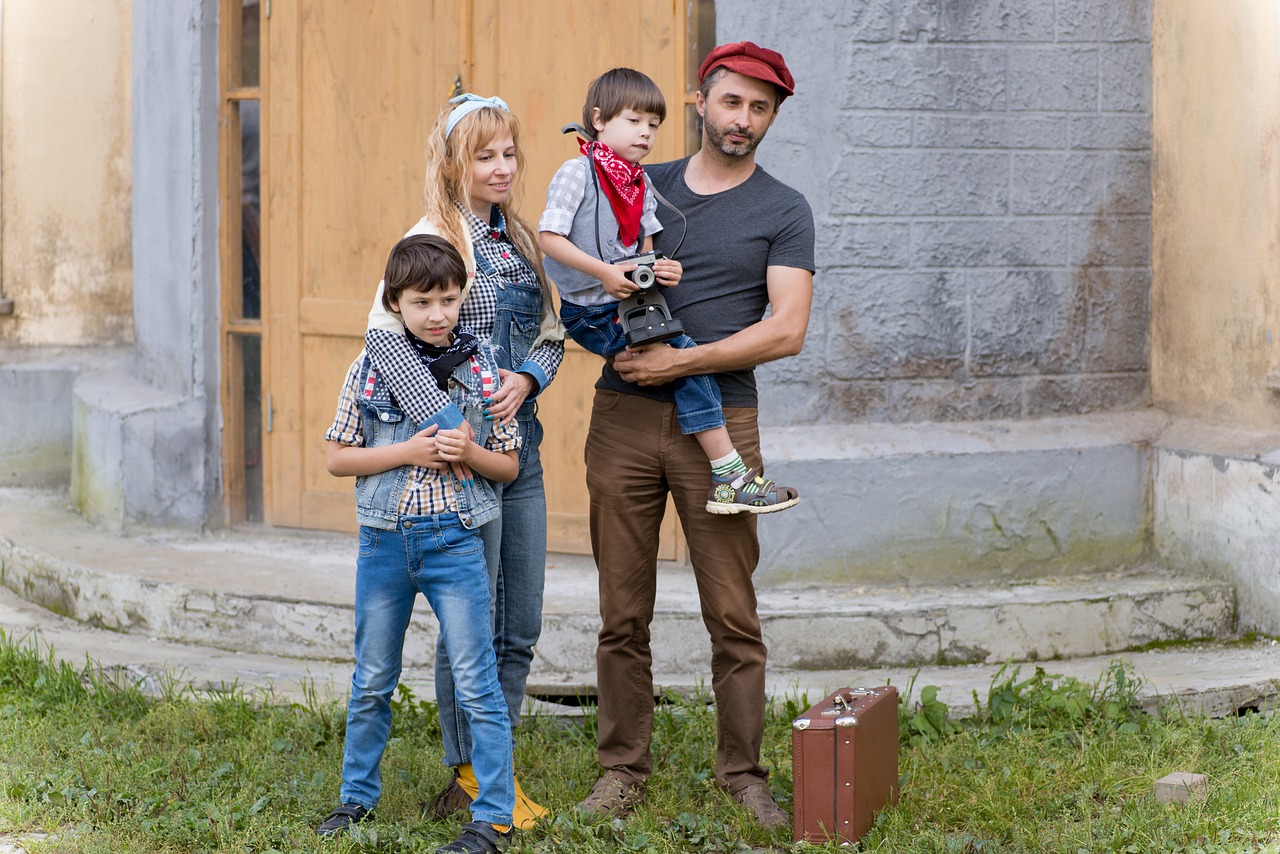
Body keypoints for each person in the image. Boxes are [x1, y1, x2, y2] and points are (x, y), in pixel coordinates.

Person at [576, 42, 815, 831]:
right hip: (623, 419)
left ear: (771, 118)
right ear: (701, 101)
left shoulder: (783, 210)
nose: (742, 119)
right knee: (621, 610)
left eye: (759, 108)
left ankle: (742, 773)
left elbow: (787, 331)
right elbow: (583, 272)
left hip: (722, 427)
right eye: (731, 101)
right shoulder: (637, 185)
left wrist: (686, 361)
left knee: (734, 614)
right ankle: (621, 771)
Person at [363, 94, 562, 828]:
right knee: (470, 623)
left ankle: (494, 764)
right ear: (453, 164)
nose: (502, 167)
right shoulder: (431, 237)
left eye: (509, 153)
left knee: (520, 621)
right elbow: (385, 344)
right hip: (459, 462)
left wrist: (530, 377)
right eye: (485, 156)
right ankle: (469, 773)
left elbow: (551, 333)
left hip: (521, 456)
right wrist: (454, 431)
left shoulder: (523, 242)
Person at [318, 234, 520, 854]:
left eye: (451, 300)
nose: (439, 314)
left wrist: (473, 452)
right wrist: (408, 450)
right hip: (383, 545)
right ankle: (356, 799)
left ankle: (494, 816)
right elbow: (335, 458)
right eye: (424, 301)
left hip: (456, 542)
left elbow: (509, 467)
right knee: (373, 677)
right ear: (395, 302)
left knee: (475, 677)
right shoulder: (372, 364)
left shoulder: (484, 368)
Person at [538, 67, 799, 515]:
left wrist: (657, 269)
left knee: (681, 356)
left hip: (623, 303)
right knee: (683, 352)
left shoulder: (641, 182)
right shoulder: (576, 172)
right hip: (591, 310)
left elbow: (645, 248)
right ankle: (729, 473)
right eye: (633, 121)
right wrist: (604, 272)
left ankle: (728, 472)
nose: (645, 134)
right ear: (599, 119)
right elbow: (548, 237)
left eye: (653, 125)